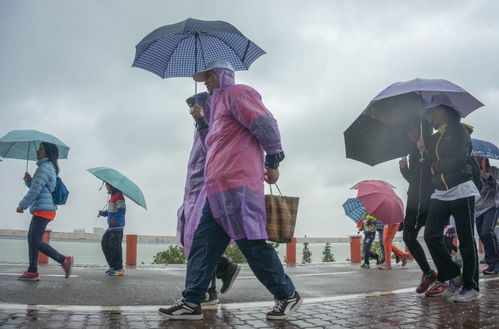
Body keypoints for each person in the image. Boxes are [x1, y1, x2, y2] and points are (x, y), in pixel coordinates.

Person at [159, 60, 301, 321]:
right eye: (203, 78)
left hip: (239, 187)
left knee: (253, 246)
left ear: (220, 75)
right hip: (216, 190)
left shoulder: (237, 94)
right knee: (202, 246)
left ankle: (287, 294)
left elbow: (266, 123)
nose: (205, 81)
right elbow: (209, 148)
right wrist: (201, 121)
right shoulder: (218, 107)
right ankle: (191, 302)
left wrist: (273, 161)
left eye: (208, 77)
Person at [176, 91, 241, 305]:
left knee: (199, 240)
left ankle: (208, 287)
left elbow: (211, 148)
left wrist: (200, 119)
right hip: (193, 192)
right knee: (196, 239)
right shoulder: (200, 130)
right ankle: (217, 278)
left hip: (205, 191)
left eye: (196, 105)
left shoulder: (213, 128)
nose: (192, 110)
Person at [420, 95, 481, 302]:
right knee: (430, 235)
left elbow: (460, 158)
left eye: (433, 112)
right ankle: (453, 275)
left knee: (465, 239)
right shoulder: (436, 137)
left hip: (461, 188)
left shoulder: (460, 131)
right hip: (441, 192)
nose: (430, 117)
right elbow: (430, 162)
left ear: (444, 110)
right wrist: (424, 151)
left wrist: (437, 165)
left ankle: (471, 287)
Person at [16, 142, 73, 281]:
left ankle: (64, 260)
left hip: (44, 208)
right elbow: (40, 187)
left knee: (35, 240)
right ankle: (32, 271)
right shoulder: (47, 167)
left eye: (40, 149)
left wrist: (22, 205)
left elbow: (35, 191)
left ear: (46, 152)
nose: (37, 151)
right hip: (44, 208)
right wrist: (29, 181)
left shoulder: (44, 168)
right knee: (32, 240)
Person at [399, 122, 437, 292]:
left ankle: (436, 274)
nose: (409, 131)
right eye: (408, 129)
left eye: (412, 127)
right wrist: (404, 169)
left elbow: (430, 175)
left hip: (422, 201)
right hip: (414, 198)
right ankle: (435, 273)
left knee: (412, 236)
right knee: (426, 237)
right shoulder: (414, 150)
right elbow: (414, 179)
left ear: (422, 127)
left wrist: (426, 152)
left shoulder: (429, 145)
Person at [474, 156, 499, 274]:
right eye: (474, 157)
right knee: (483, 236)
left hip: (491, 206)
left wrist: (488, 178)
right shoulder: (472, 172)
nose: (477, 159)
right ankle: (491, 263)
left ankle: (496, 262)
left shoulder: (494, 170)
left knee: (487, 232)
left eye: (479, 157)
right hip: (477, 209)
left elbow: (497, 187)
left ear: (484, 158)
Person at [98, 183, 126, 276]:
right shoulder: (112, 196)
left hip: (117, 226)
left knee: (115, 247)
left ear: (112, 186)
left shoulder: (118, 195)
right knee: (105, 243)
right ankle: (112, 266)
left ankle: (119, 269)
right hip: (111, 227)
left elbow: (122, 210)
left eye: (107, 186)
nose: (106, 188)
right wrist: (104, 213)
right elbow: (111, 211)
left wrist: (114, 220)